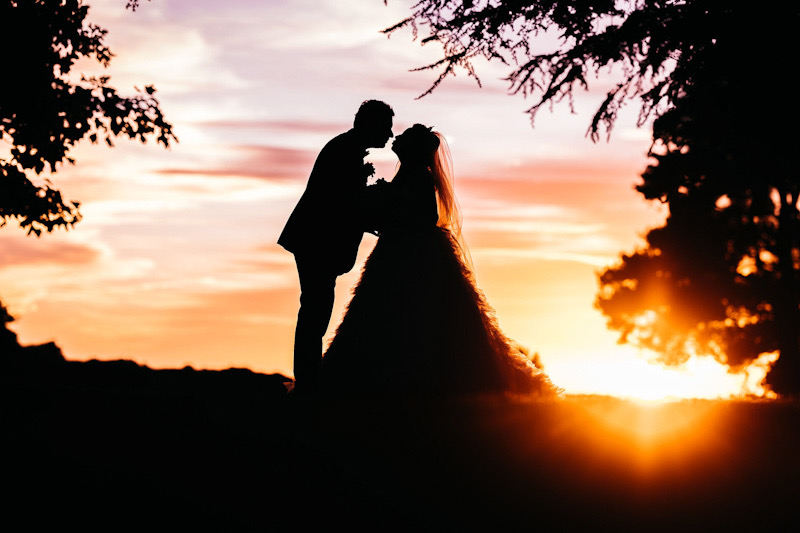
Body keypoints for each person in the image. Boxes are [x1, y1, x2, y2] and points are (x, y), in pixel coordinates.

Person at [321, 124, 559, 397]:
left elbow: (426, 217)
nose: (396, 138)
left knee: (420, 314)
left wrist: (388, 214)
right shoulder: (407, 174)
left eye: (404, 138)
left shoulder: (421, 177)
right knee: (386, 311)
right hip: (395, 249)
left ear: (413, 149)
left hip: (414, 254)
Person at [278, 100, 394, 394]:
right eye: (386, 127)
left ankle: (309, 378)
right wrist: (373, 212)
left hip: (317, 240)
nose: (390, 134)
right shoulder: (344, 151)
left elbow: (345, 202)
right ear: (370, 124)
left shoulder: (348, 148)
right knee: (314, 312)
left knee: (315, 311)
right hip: (316, 241)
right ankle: (307, 381)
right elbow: (340, 203)